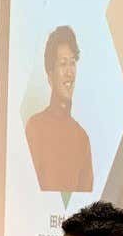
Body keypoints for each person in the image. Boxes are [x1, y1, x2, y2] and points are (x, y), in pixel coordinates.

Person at [26, 25, 93, 192]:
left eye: (72, 63)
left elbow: (87, 199)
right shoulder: (35, 127)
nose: (70, 72)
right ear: (50, 75)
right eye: (63, 64)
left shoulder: (82, 137)